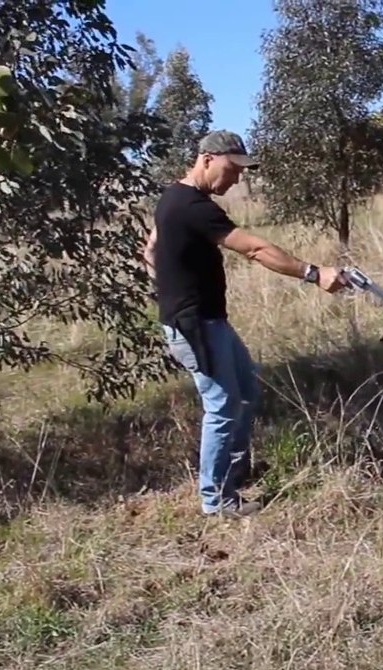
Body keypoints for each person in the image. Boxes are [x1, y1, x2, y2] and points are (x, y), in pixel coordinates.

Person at [143, 130, 349, 518]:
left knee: (247, 391)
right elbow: (255, 248)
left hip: (205, 320)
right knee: (221, 407)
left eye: (240, 170)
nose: (236, 178)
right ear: (207, 159)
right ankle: (216, 500)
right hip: (195, 326)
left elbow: (151, 249)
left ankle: (234, 472)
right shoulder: (193, 206)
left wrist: (169, 286)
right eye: (231, 168)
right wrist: (314, 273)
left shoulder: (173, 197)